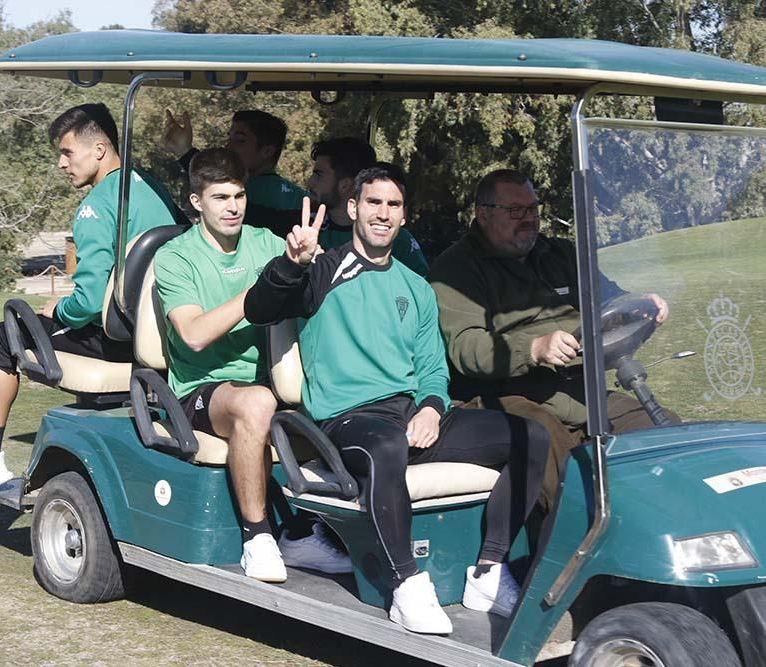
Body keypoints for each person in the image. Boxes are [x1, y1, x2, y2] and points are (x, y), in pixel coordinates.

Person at [244, 164, 551, 634]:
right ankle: (406, 585)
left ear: (405, 215)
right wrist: (291, 262)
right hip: (347, 420)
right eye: (373, 203)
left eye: (393, 205)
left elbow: (432, 370)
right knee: (386, 446)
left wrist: (431, 407)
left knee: (528, 435)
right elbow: (259, 308)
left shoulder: (416, 287)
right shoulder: (322, 269)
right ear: (353, 208)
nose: (382, 214)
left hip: (407, 412)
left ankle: (489, 569)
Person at [0, 103, 181, 489]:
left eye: (67, 152)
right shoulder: (152, 187)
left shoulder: (96, 207)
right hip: (160, 333)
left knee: (2, 334)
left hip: (118, 340)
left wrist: (60, 309)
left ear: (99, 150)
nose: (60, 163)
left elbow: (86, 302)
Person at [153, 147, 350, 583]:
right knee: (257, 403)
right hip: (200, 389)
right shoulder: (175, 258)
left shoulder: (264, 242)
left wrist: (300, 264)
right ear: (196, 202)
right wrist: (261, 290)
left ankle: (308, 532)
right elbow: (194, 334)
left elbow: (303, 295)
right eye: (220, 197)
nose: (232, 207)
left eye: (239, 196)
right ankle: (258, 537)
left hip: (269, 383)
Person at [429, 169, 675, 510]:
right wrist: (533, 348)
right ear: (482, 214)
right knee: (557, 458)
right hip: (510, 395)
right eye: (516, 211)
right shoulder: (456, 270)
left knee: (666, 435)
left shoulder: (561, 255)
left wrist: (642, 305)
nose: (528, 219)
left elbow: (610, 301)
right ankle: (573, 547)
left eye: (533, 209)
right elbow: (466, 349)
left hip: (580, 391)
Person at [162, 109, 306, 236]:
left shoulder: (251, 189)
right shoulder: (301, 196)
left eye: (240, 140)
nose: (228, 146)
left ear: (267, 151)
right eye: (229, 138)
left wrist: (185, 151)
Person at [306, 138, 429, 276]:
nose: (310, 182)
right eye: (374, 202)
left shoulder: (396, 240)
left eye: (318, 174)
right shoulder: (306, 229)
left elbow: (421, 289)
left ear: (345, 185)